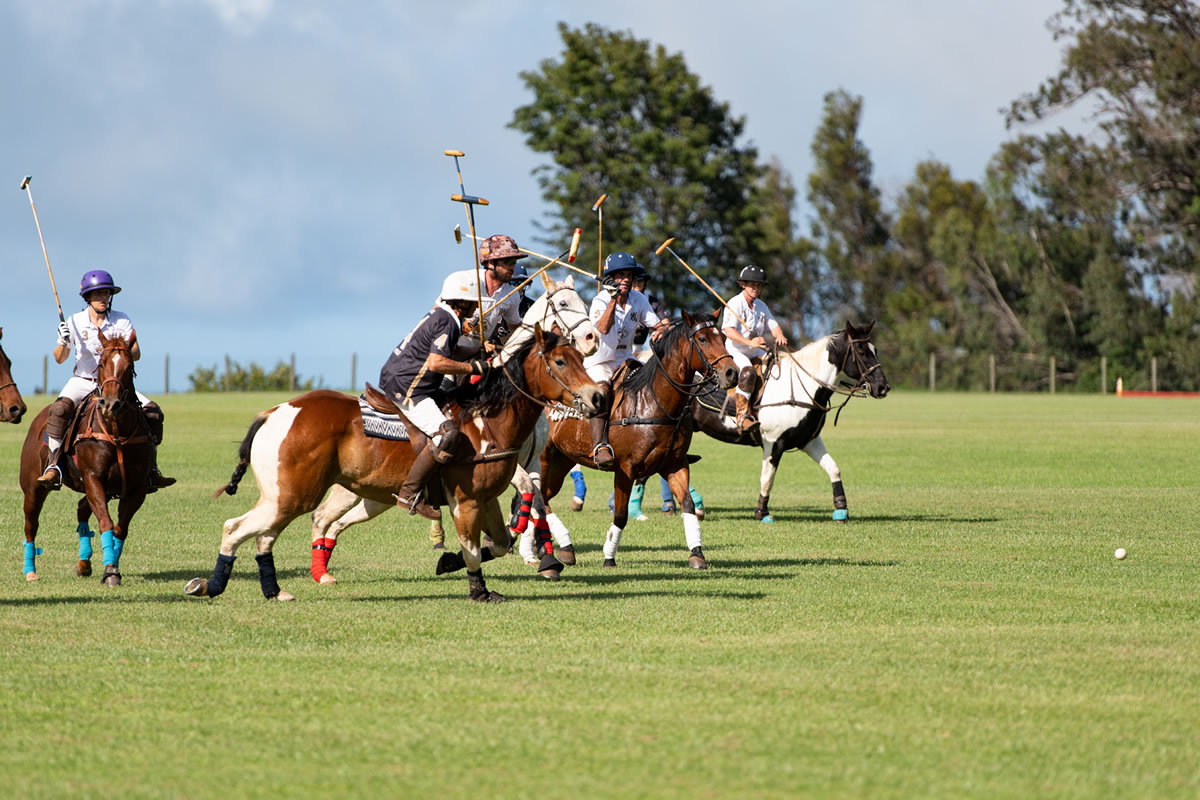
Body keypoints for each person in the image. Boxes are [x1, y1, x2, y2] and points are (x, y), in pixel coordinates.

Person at [38, 270, 175, 491]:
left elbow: (136, 353)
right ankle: (53, 466)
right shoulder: (75, 321)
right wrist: (63, 341)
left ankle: (152, 468)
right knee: (59, 411)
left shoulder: (121, 319)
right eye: (98, 294)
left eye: (107, 293)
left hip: (114, 383)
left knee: (153, 413)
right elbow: (59, 359)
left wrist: (125, 348)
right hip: (84, 380)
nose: (104, 298)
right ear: (87, 297)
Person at [382, 273, 488, 520]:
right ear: (462, 301)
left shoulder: (443, 314)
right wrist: (473, 368)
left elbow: (451, 350)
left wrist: (478, 350)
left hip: (403, 378)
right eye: (473, 301)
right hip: (408, 388)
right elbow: (437, 361)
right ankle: (409, 493)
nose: (475, 306)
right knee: (448, 432)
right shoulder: (448, 321)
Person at [583, 252, 669, 469]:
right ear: (611, 277)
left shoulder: (638, 299)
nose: (626, 279)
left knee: (650, 386)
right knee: (602, 392)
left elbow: (656, 324)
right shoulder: (600, 300)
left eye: (629, 274)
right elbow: (602, 328)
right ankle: (600, 446)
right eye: (620, 275)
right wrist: (613, 298)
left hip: (625, 358)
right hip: (599, 361)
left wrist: (660, 330)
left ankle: (659, 440)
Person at [722, 265, 789, 433]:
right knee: (748, 372)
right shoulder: (734, 303)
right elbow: (728, 330)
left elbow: (774, 326)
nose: (755, 289)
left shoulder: (761, 306)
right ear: (743, 285)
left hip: (755, 349)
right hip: (736, 349)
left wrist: (779, 335)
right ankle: (742, 417)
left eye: (758, 286)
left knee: (778, 364)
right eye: (752, 285)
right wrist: (749, 342)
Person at [456, 234, 525, 359]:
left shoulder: (511, 294)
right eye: (508, 261)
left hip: (477, 355)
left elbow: (515, 326)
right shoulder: (468, 282)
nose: (512, 267)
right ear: (491, 262)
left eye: (514, 261)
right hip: (449, 350)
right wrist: (461, 325)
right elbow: (441, 318)